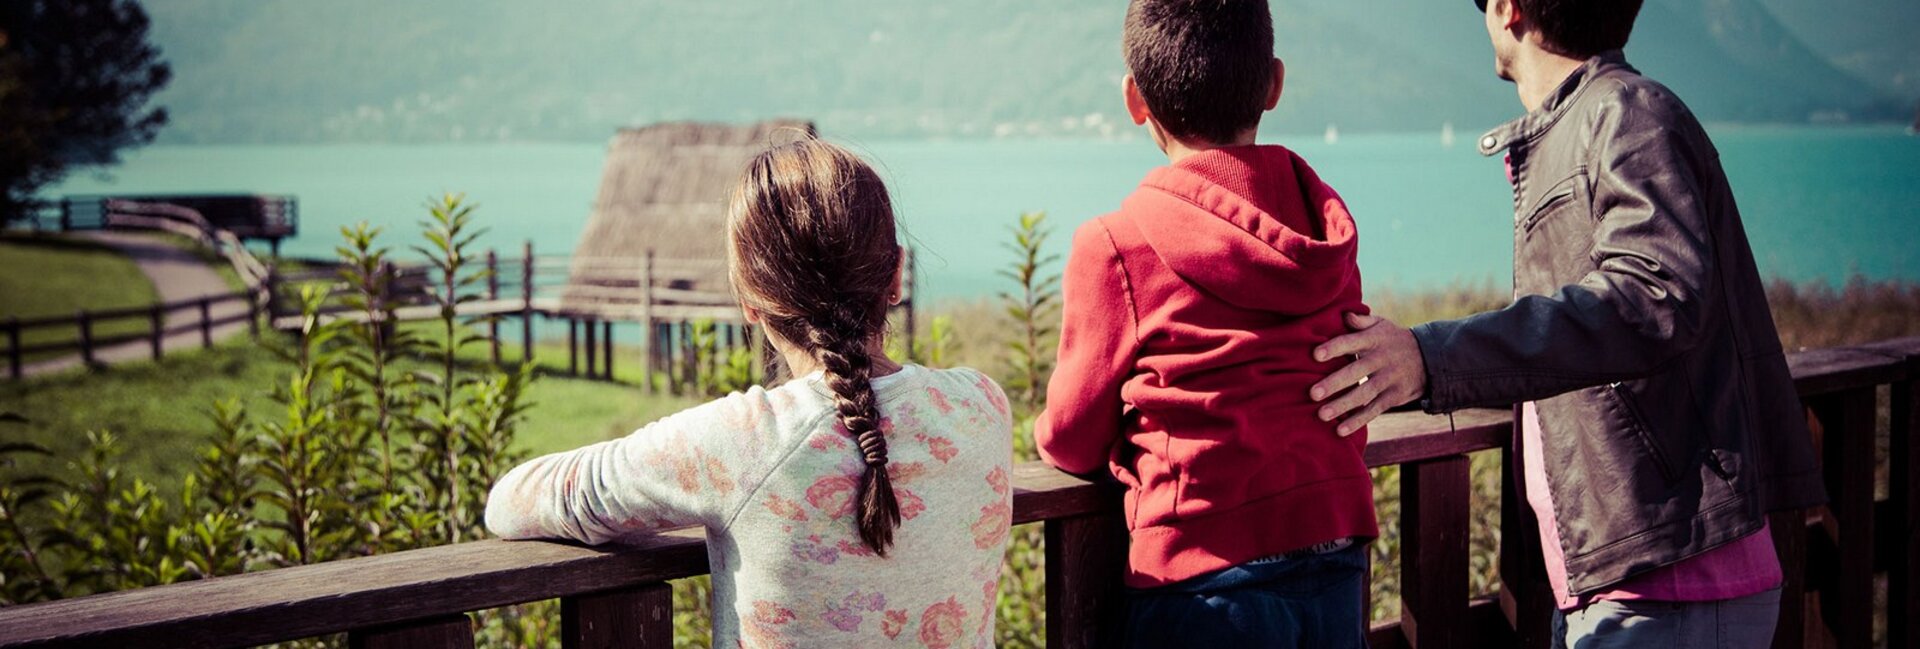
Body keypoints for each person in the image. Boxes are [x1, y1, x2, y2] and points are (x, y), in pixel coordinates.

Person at [1307, 0, 1826, 646]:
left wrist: (1431, 355)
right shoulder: (1599, 120)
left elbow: (1652, 296)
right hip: (1636, 581)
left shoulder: (1625, 115)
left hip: (1669, 584)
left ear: (1507, 9)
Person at [486, 138, 1015, 649]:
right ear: (896, 274)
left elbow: (510, 503)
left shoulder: (739, 441)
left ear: (748, 299)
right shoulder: (982, 407)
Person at [1033, 1, 1375, 646]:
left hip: (1201, 576)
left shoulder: (1116, 244)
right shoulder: (1325, 229)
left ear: (1135, 100)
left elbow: (1072, 439)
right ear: (1275, 84)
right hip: (1335, 550)